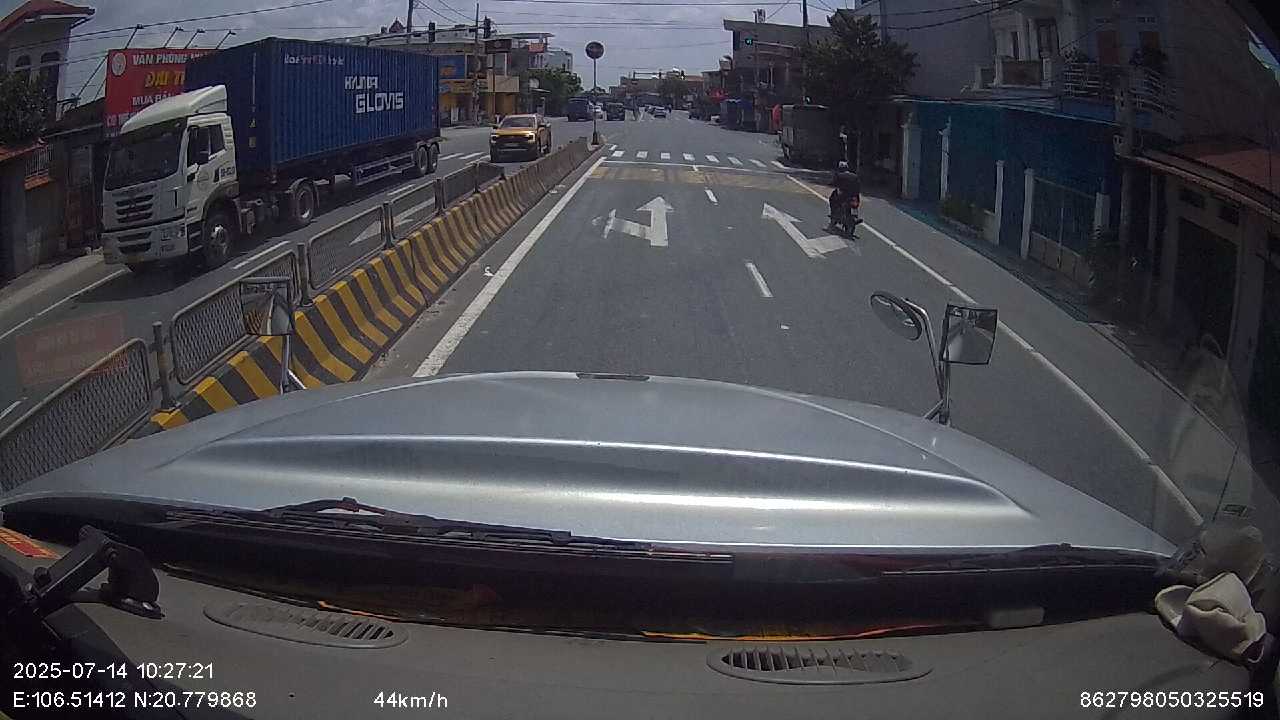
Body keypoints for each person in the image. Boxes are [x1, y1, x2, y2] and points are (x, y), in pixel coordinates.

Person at [828, 160, 860, 229]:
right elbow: (858, 186)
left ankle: (833, 216)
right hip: (854, 196)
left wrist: (831, 183)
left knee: (832, 199)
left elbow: (834, 183)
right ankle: (854, 216)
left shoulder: (839, 175)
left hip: (844, 196)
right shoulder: (855, 176)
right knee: (854, 205)